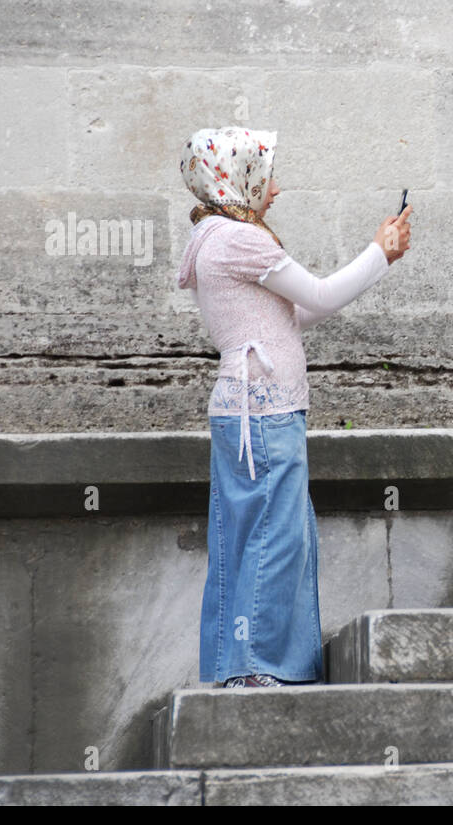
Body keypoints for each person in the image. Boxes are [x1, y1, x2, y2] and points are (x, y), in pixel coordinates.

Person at [175, 126, 412, 688]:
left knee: (257, 535)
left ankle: (248, 668)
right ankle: (259, 670)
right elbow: (322, 295)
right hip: (264, 410)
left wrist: (381, 259)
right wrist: (380, 254)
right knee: (276, 540)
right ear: (238, 177)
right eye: (266, 174)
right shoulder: (238, 239)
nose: (275, 188)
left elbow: (291, 316)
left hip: (249, 408)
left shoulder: (214, 235)